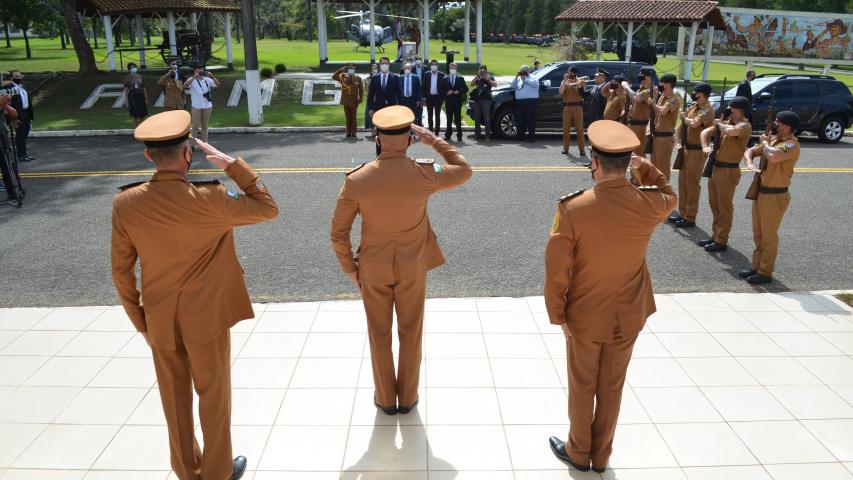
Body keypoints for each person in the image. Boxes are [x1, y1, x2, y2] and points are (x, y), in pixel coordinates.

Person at [111, 110, 278, 480]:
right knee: (213, 399)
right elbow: (268, 208)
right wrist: (234, 166)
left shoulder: (125, 203)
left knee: (174, 402)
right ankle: (217, 473)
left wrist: (140, 321)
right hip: (207, 319)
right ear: (188, 153)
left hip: (159, 318)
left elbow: (121, 271)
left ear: (148, 155)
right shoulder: (212, 197)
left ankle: (188, 471)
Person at [545, 120, 677, 474]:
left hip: (585, 316)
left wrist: (559, 316)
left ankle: (578, 451)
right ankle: (601, 456)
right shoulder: (650, 203)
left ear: (595, 162)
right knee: (611, 386)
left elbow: (557, 272)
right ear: (628, 161)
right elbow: (670, 192)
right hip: (629, 314)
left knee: (582, 385)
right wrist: (645, 165)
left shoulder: (572, 209)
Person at [330, 106, 472, 416]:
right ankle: (407, 398)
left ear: (377, 138)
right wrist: (434, 140)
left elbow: (338, 233)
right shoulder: (424, 173)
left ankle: (385, 398)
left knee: (379, 335)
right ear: (410, 140)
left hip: (372, 270)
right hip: (412, 269)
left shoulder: (358, 179)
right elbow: (464, 169)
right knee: (411, 332)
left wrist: (350, 270)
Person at [740, 111, 801, 285]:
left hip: (776, 196)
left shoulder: (791, 145)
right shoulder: (774, 140)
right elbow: (750, 150)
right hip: (761, 191)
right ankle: (756, 266)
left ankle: (765, 272)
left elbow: (773, 156)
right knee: (758, 233)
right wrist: (750, 162)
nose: (777, 126)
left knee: (768, 235)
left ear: (789, 126)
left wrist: (765, 143)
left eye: (780, 124)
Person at [697, 96, 752, 253]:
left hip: (728, 171)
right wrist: (704, 147)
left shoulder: (744, 125)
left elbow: (732, 131)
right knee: (714, 204)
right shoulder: (726, 123)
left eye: (731, 108)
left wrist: (720, 122)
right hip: (715, 168)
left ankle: (721, 240)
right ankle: (715, 235)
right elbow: (704, 133)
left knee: (724, 207)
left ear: (738, 109)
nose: (729, 110)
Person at [669, 83, 715, 228]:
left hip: (697, 152)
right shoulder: (694, 107)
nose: (695, 96)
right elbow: (681, 126)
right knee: (683, 183)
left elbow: (694, 123)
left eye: (698, 94)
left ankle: (690, 217)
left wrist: (685, 117)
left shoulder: (707, 110)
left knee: (692, 185)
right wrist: (677, 142)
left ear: (705, 95)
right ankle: (682, 214)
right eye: (694, 93)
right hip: (686, 149)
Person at [648, 73, 681, 182]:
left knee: (662, 167)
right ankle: (656, 190)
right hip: (656, 136)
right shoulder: (662, 97)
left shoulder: (673, 99)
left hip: (665, 137)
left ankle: (664, 191)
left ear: (668, 84)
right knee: (654, 166)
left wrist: (653, 103)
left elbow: (662, 111)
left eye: (662, 83)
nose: (660, 85)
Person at [184, 64, 220, 144]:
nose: (200, 70)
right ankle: (192, 144)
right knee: (195, 126)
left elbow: (218, 84)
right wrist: (194, 77)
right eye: (198, 69)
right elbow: (185, 85)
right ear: (194, 71)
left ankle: (205, 143)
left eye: (201, 69)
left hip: (207, 106)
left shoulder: (207, 79)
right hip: (196, 106)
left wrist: (212, 77)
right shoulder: (192, 79)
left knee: (205, 125)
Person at [623, 68, 655, 156]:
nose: (640, 77)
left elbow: (636, 98)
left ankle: (640, 170)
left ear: (648, 77)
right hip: (633, 124)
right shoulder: (641, 89)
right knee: (633, 152)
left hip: (641, 126)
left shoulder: (650, 90)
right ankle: (634, 170)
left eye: (642, 75)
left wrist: (626, 87)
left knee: (639, 153)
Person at [7, 70, 34, 163]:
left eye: (20, 76)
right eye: (16, 76)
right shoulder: (9, 88)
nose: (19, 78)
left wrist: (30, 117)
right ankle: (20, 155)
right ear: (11, 78)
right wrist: (13, 119)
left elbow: (28, 101)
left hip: (26, 113)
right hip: (17, 115)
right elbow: (8, 104)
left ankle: (25, 154)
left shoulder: (22, 87)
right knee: (20, 136)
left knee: (24, 135)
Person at [559, 66, 586, 156]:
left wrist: (578, 86)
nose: (569, 74)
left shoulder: (580, 81)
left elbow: (583, 94)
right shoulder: (565, 81)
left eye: (570, 72)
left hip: (578, 107)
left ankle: (582, 150)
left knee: (579, 129)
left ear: (574, 73)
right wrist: (564, 82)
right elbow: (561, 92)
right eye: (568, 72)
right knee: (566, 129)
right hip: (567, 107)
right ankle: (566, 148)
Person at [333, 63, 364, 138]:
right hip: (346, 100)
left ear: (354, 69)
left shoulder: (358, 78)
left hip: (354, 101)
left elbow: (361, 90)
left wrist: (360, 100)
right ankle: (348, 132)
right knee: (347, 116)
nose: (351, 70)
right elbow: (334, 76)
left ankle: (353, 132)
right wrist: (342, 69)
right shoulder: (343, 77)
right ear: (347, 69)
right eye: (349, 68)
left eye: (352, 68)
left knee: (353, 116)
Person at [511, 64, 539, 143]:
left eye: (524, 71)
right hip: (520, 102)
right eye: (521, 71)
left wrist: (525, 79)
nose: (523, 73)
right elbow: (512, 86)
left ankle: (531, 137)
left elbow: (535, 85)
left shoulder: (533, 77)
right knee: (520, 120)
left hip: (530, 101)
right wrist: (516, 77)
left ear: (528, 71)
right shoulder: (519, 78)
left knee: (530, 120)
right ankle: (520, 137)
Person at [440, 62, 467, 142]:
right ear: (449, 69)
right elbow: (441, 90)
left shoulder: (460, 79)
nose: (452, 70)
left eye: (454, 68)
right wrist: (446, 93)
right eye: (451, 68)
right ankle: (448, 135)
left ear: (456, 69)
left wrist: (459, 92)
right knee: (449, 120)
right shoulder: (445, 79)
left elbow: (465, 89)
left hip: (457, 102)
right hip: (448, 102)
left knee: (458, 120)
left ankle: (459, 136)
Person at [0, 91, 19, 201]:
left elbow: (14, 114)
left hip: (2, 136)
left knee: (6, 165)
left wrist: (6, 105)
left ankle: (12, 193)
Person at [470, 64, 497, 140]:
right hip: (477, 100)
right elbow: (471, 84)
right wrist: (477, 76)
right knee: (477, 119)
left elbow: (495, 85)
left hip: (486, 100)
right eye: (481, 70)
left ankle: (487, 136)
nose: (482, 71)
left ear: (486, 70)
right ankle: (477, 135)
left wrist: (487, 79)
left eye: (484, 70)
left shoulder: (490, 77)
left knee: (487, 118)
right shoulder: (478, 77)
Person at [123, 63, 149, 127]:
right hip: (132, 96)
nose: (133, 69)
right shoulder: (127, 77)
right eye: (131, 67)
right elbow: (126, 90)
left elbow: (144, 87)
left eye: (134, 67)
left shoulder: (140, 76)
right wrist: (126, 101)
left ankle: (142, 129)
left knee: (142, 115)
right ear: (129, 69)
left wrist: (146, 98)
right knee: (134, 115)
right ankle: (136, 129)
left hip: (141, 95)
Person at [423, 59, 445, 135]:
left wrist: (442, 98)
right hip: (429, 98)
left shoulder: (441, 75)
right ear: (430, 66)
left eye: (435, 65)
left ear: (437, 66)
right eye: (432, 65)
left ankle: (437, 131)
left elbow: (443, 88)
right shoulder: (427, 74)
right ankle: (430, 130)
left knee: (437, 115)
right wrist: (425, 97)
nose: (434, 66)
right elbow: (424, 86)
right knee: (429, 115)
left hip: (438, 98)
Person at [399, 62, 423, 128]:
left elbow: (419, 90)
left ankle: (412, 131)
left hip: (413, 99)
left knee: (413, 116)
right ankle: (405, 130)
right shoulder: (400, 77)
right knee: (404, 115)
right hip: (403, 100)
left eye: (408, 68)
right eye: (405, 68)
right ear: (404, 69)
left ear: (411, 69)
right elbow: (398, 90)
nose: (407, 69)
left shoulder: (416, 77)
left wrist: (418, 100)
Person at [365, 63, 379, 133]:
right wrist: (372, 97)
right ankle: (372, 129)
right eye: (373, 68)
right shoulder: (368, 79)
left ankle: (378, 128)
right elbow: (367, 89)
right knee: (371, 113)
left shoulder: (380, 78)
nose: (374, 69)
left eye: (375, 68)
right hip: (371, 98)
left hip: (379, 98)